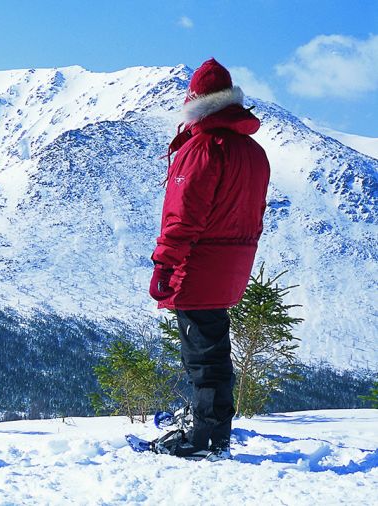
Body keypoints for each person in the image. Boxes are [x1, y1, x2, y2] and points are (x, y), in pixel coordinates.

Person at [149, 58, 270, 461]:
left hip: (199, 265)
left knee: (202, 355)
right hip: (234, 262)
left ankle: (207, 437)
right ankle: (212, 429)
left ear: (196, 101)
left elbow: (183, 216)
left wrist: (165, 265)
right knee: (213, 348)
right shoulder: (253, 151)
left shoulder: (202, 148)